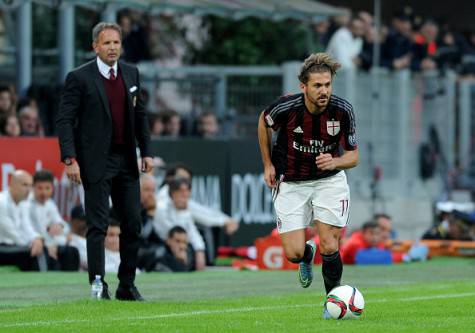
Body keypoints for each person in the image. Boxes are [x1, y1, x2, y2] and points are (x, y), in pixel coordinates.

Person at [56, 22, 153, 301]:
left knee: (133, 223)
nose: (112, 48)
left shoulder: (131, 72)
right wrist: (69, 158)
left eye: (116, 43)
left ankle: (127, 284)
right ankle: (98, 284)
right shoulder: (79, 77)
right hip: (95, 161)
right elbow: (64, 119)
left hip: (126, 160)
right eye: (106, 43)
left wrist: (145, 151)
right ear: (95, 47)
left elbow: (140, 115)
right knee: (97, 225)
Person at [257, 52, 358, 318]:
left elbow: (354, 156)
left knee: (329, 244)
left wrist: (335, 162)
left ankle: (333, 302)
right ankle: (305, 256)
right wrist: (268, 164)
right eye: (317, 85)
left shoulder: (342, 110)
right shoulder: (286, 108)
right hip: (291, 182)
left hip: (329, 182)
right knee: (292, 253)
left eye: (327, 84)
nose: (324, 90)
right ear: (304, 87)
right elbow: (263, 121)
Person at [20, 170, 79, 271]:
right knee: (52, 251)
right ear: (33, 188)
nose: (44, 192)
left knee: (73, 249)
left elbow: (62, 224)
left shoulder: (50, 203)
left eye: (47, 188)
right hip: (31, 243)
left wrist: (60, 226)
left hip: (50, 242)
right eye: (40, 188)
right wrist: (50, 244)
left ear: (52, 188)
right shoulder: (27, 204)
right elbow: (36, 231)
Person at [154, 177, 207, 270]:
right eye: (181, 191)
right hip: (161, 246)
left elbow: (193, 233)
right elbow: (174, 235)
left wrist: (200, 251)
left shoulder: (185, 210)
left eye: (187, 191)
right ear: (172, 193)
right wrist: (181, 248)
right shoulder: (161, 208)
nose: (185, 195)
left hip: (178, 246)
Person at [0, 170, 47, 271]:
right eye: (25, 185)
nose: (29, 189)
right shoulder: (1, 202)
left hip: (14, 245)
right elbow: (12, 233)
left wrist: (36, 238)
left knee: (41, 248)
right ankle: (40, 282)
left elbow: (27, 226)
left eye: (30, 185)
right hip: (3, 246)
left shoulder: (23, 202)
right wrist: (32, 244)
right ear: (12, 185)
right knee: (34, 252)